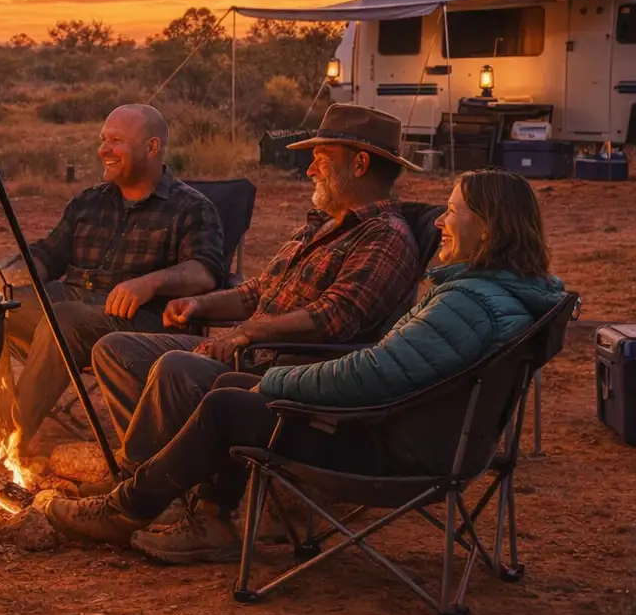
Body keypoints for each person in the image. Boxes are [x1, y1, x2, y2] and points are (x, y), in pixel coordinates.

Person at [47, 168, 564, 563]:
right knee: (228, 386)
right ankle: (203, 517)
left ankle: (125, 511)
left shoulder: (466, 305)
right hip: (416, 437)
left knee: (228, 401)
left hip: (389, 449)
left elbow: (371, 374)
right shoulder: (496, 297)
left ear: (489, 228)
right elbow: (390, 368)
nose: (440, 222)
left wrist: (276, 383)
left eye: (452, 212)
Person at [86, 103, 423, 485]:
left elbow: (334, 318)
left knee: (177, 367)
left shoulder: (384, 236)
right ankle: (171, 472)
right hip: (252, 355)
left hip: (291, 373)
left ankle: (139, 484)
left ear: (359, 165)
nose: (310, 170)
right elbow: (259, 291)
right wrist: (199, 303)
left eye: (321, 159)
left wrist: (247, 333)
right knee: (115, 349)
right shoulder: (323, 225)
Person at [0, 103, 226, 453]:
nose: (103, 150)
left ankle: (6, 442)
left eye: (116, 140)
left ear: (151, 147)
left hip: (136, 322)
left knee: (61, 320)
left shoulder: (191, 207)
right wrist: (20, 267)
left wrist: (149, 283)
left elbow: (205, 272)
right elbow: (50, 254)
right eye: (103, 139)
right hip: (72, 302)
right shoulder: (88, 202)